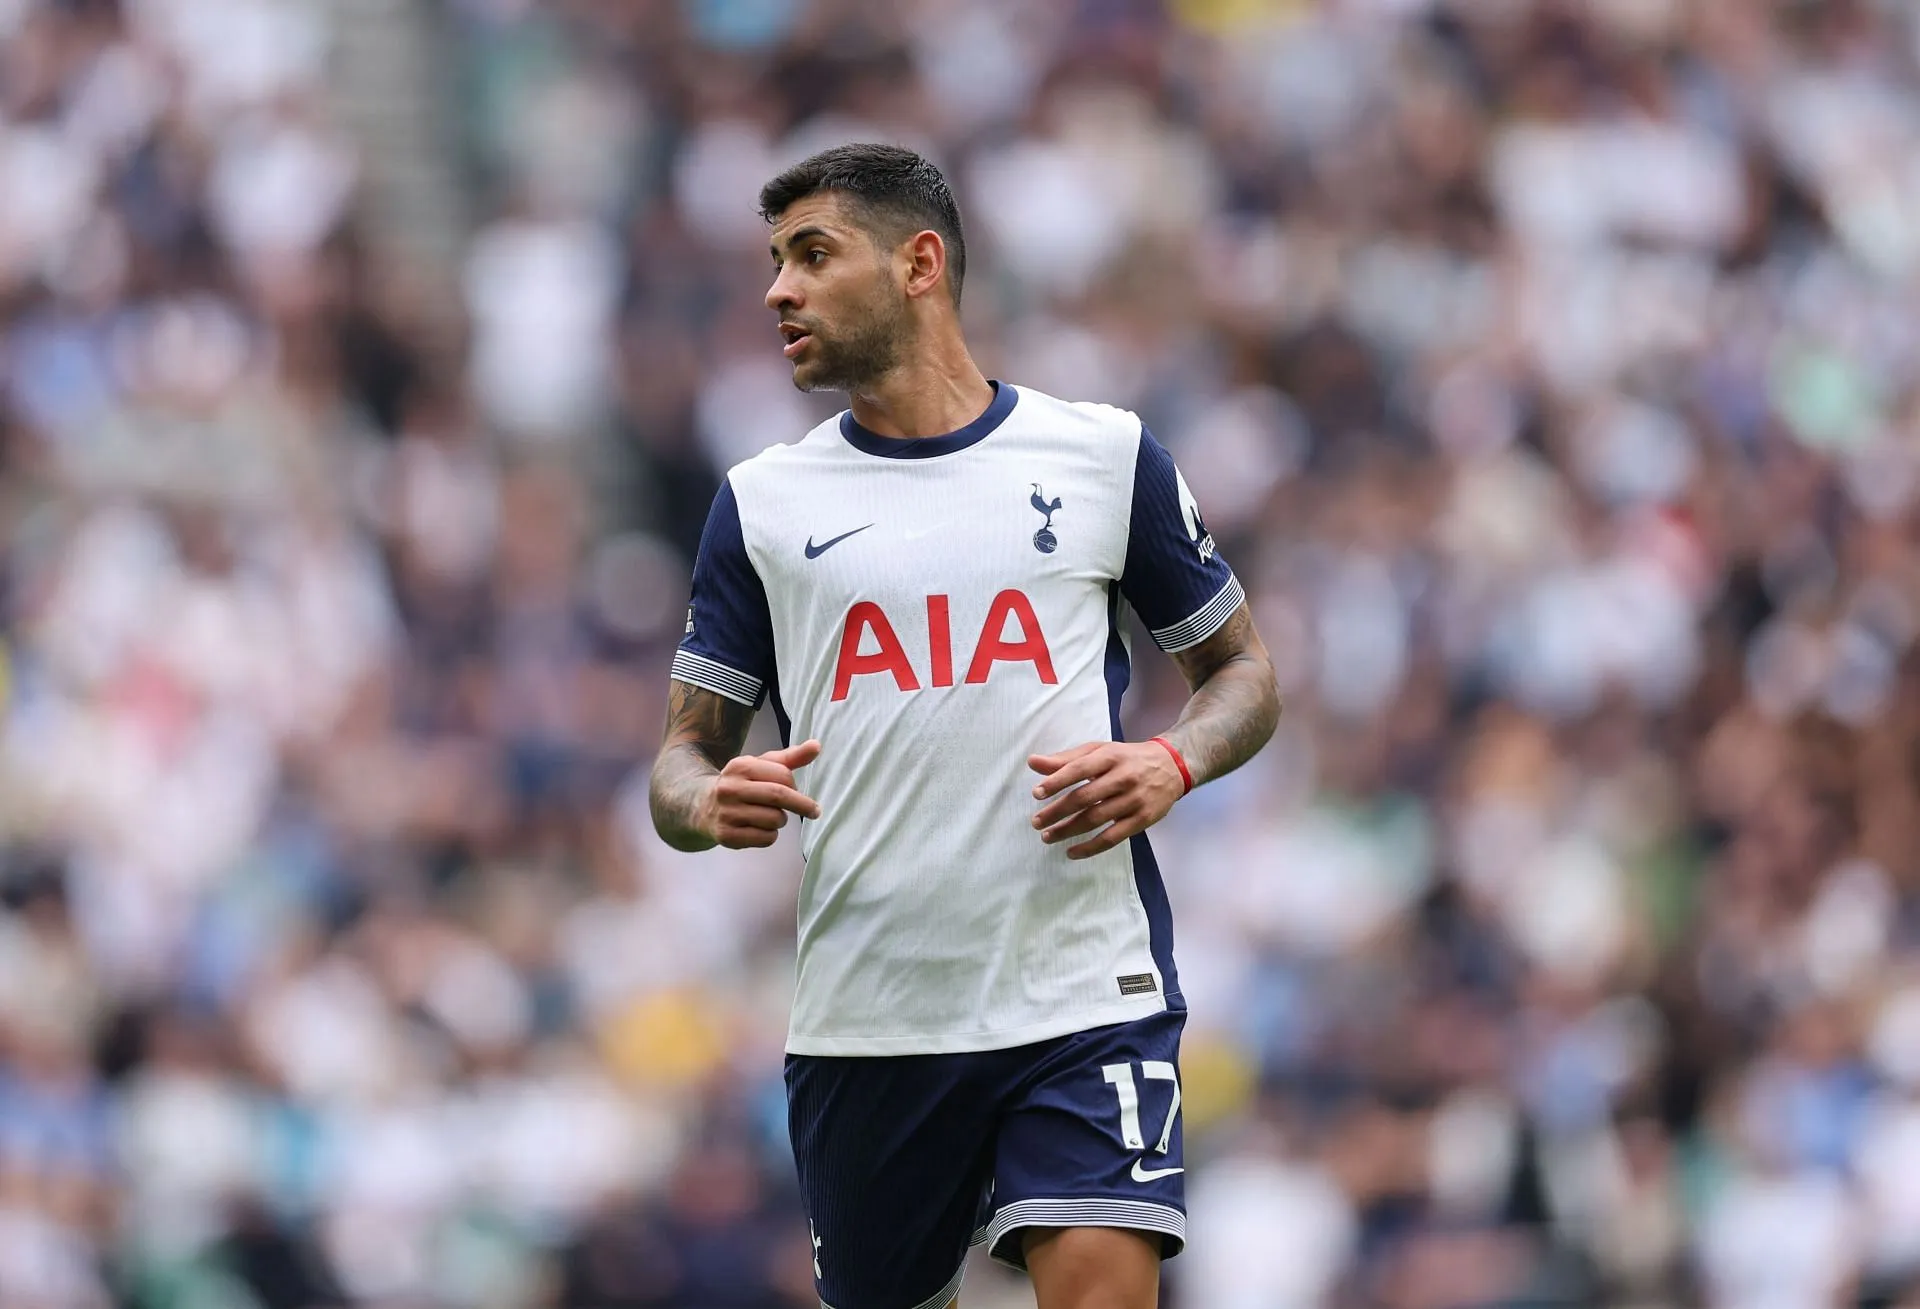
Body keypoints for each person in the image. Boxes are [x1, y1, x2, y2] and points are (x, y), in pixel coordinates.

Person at [648, 142, 1280, 1309]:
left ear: (919, 264)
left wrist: (1172, 759)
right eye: (774, 262)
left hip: (1082, 993)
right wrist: (705, 799)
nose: (777, 290)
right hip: (870, 1019)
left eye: (812, 254)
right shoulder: (763, 505)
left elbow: (1241, 672)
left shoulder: (1102, 457)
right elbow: (679, 768)